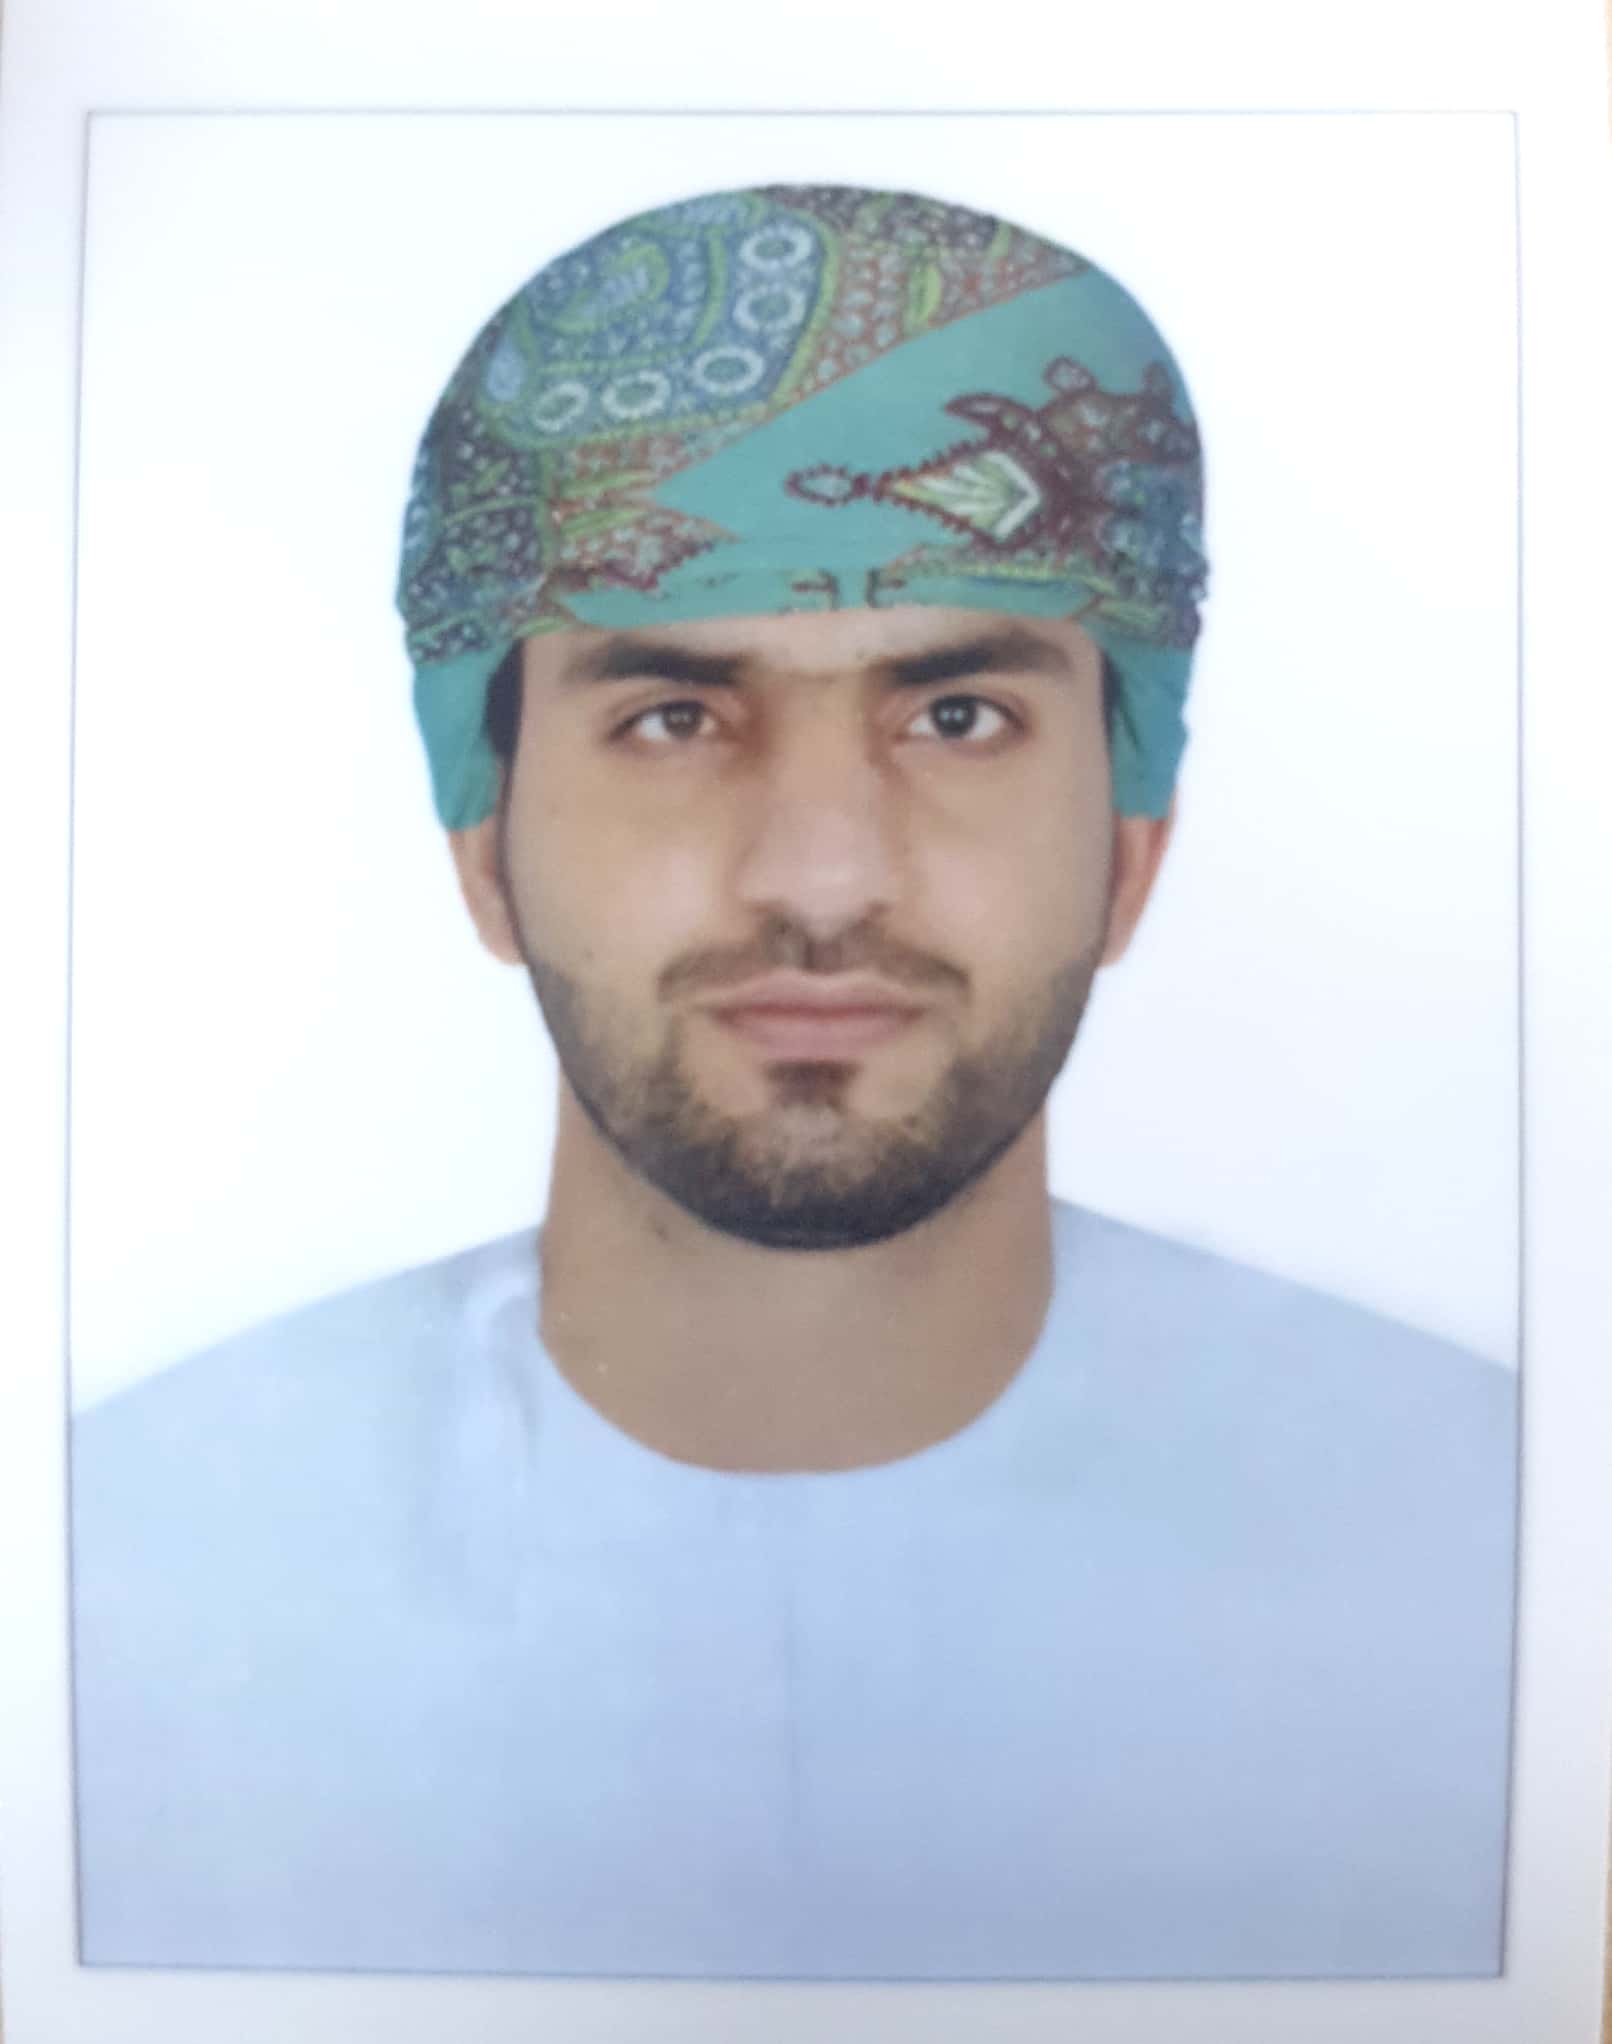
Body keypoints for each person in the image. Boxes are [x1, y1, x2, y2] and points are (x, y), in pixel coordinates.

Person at [70, 182, 1516, 1983]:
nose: (823, 877)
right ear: (485, 841)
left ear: (1132, 839)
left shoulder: (1508, 1568)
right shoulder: (106, 1590)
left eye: (957, 716)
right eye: (674, 716)